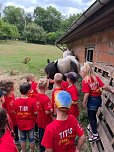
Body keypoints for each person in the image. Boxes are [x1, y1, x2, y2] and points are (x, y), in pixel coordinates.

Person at [81, 62, 114, 142]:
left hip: (92, 100)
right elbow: (104, 86)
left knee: (90, 117)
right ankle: (93, 127)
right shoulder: (96, 78)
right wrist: (111, 90)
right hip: (98, 99)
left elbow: (87, 93)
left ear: (85, 72)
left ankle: (95, 135)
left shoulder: (85, 80)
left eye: (82, 71)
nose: (81, 73)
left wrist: (84, 102)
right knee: (93, 115)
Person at [14, 82, 38, 152]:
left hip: (21, 124)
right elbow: (36, 112)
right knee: (31, 139)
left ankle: (23, 150)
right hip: (30, 124)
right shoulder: (33, 101)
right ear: (29, 91)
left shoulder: (16, 101)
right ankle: (32, 150)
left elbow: (15, 112)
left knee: (22, 139)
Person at [36, 78, 52, 152]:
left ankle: (41, 147)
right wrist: (52, 109)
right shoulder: (46, 99)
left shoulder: (37, 96)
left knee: (40, 133)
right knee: (46, 135)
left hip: (39, 118)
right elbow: (47, 112)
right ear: (46, 87)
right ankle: (45, 148)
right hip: (46, 120)